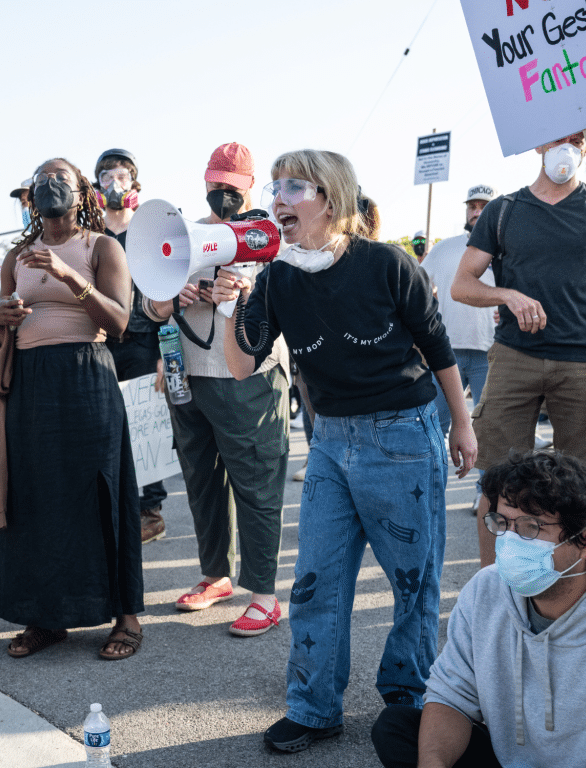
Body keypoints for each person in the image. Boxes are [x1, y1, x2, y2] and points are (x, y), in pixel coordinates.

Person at [215, 149, 477, 753]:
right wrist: (231, 305)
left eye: (293, 187)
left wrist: (460, 425)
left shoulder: (385, 263)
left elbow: (438, 348)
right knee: (316, 580)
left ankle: (410, 702)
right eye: (275, 186)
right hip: (329, 442)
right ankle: (312, 707)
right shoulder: (277, 276)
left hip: (404, 436)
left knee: (414, 580)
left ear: (330, 200)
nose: (278, 198)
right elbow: (239, 367)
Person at [373, 450, 586, 768]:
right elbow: (453, 693)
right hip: (517, 758)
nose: (508, 541)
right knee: (397, 730)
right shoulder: (486, 590)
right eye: (502, 523)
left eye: (530, 527)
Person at [451, 132, 586, 568]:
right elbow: (463, 285)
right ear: (537, 144)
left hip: (583, 363)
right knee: (497, 484)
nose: (568, 147)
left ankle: (575, 587)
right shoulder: (503, 210)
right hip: (515, 357)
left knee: (581, 486)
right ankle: (493, 588)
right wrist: (508, 296)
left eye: (578, 139)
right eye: (559, 138)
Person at [0, 157, 143, 660]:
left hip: (86, 375)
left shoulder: (102, 247)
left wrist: (69, 275)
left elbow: (118, 322)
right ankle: (45, 616)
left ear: (82, 193)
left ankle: (126, 617)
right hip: (30, 382)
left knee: (101, 490)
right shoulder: (17, 254)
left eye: (61, 179)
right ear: (31, 195)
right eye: (42, 180)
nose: (51, 186)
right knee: (35, 494)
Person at [143, 142, 290, 638]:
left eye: (230, 187)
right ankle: (215, 575)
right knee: (202, 480)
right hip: (190, 374)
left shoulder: (270, 235)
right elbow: (151, 310)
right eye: (214, 185)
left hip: (248, 377)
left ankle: (265, 595)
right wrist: (171, 295)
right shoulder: (187, 234)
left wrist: (242, 292)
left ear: (249, 187)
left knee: (255, 481)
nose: (221, 194)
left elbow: (282, 300)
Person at [94, 148, 168, 543]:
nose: (114, 183)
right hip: (104, 341)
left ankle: (151, 510)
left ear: (135, 184)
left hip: (143, 340)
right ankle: (114, 507)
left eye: (121, 176)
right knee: (107, 425)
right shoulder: (91, 235)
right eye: (106, 177)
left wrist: (162, 354)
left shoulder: (149, 233)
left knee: (147, 425)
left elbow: (166, 290)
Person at [421, 185, 498, 512]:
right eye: (472, 205)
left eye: (484, 205)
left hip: (490, 353)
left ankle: (487, 492)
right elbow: (419, 289)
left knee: (487, 426)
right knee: (432, 423)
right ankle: (425, 485)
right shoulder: (444, 249)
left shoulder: (506, 248)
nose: (477, 211)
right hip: (445, 354)